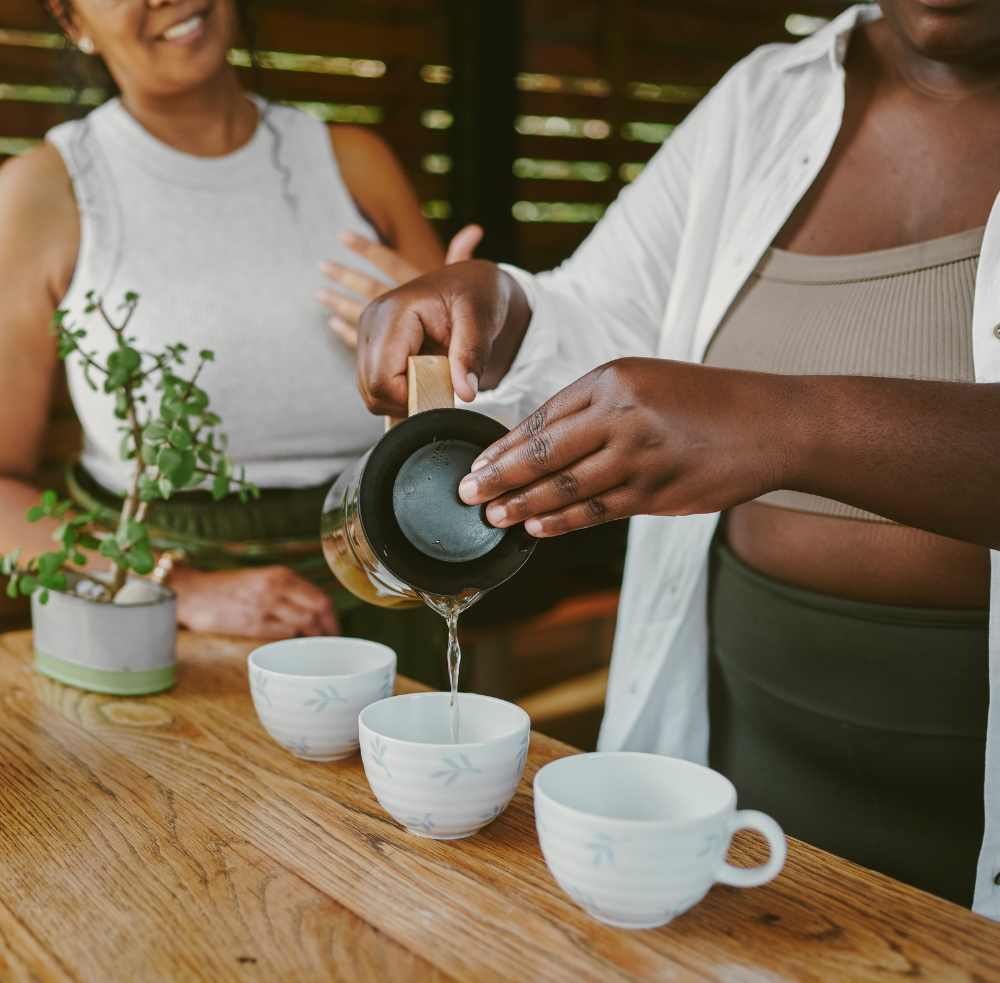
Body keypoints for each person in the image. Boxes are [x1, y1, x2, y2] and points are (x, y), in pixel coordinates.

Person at [355, 1, 1000, 914]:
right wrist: (500, 304)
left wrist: (789, 425)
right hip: (752, 763)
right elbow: (601, 305)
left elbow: (763, 418)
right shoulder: (764, 100)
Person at [0, 0, 478, 683]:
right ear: (72, 21)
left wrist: (448, 353)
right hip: (159, 633)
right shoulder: (42, 194)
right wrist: (183, 589)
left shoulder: (355, 165)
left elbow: (455, 422)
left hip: (389, 597)